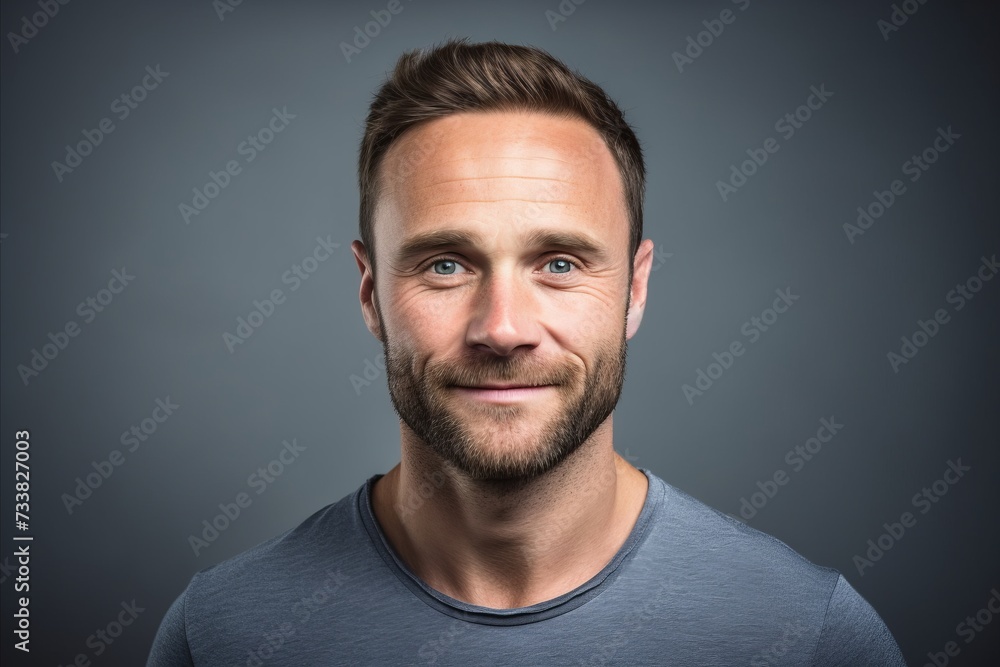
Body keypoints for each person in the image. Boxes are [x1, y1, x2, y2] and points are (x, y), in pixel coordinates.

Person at [148, 39, 906, 666]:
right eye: (446, 263)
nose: (503, 328)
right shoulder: (220, 635)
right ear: (371, 292)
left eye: (561, 263)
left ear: (635, 290)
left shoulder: (812, 638)